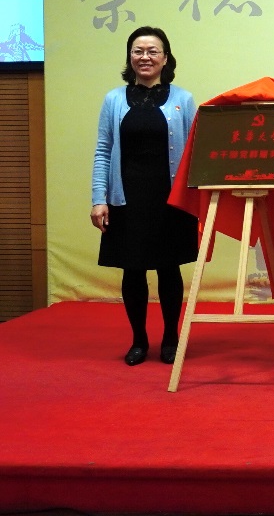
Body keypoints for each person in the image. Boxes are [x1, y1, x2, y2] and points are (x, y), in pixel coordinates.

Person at [90, 26, 198, 366]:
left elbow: (195, 152)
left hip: (170, 199)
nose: (145, 57)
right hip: (126, 198)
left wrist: (197, 198)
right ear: (130, 57)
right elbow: (103, 151)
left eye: (153, 51)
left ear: (165, 58)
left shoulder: (183, 99)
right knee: (132, 270)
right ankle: (139, 340)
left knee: (169, 268)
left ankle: (170, 338)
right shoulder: (113, 99)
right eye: (138, 51)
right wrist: (99, 197)